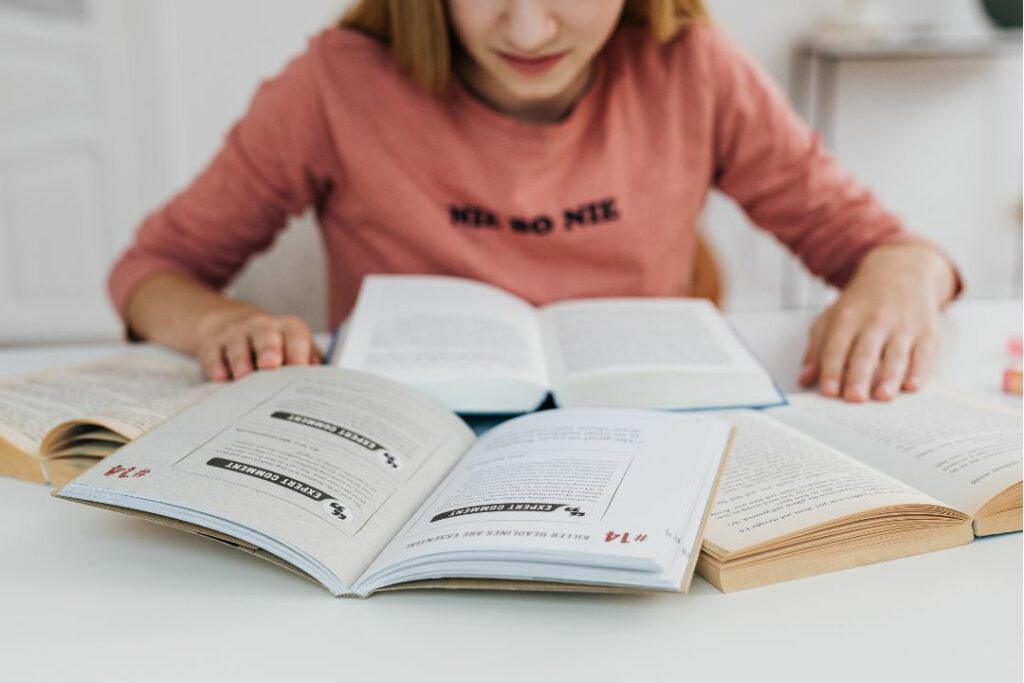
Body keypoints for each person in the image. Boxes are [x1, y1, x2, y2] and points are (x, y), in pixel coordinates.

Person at [109, 0, 960, 403]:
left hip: (639, 436)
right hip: (399, 448)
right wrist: (219, 324)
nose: (527, 30)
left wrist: (902, 276)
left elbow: (889, 248)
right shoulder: (335, 83)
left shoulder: (692, 67)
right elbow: (153, 271)